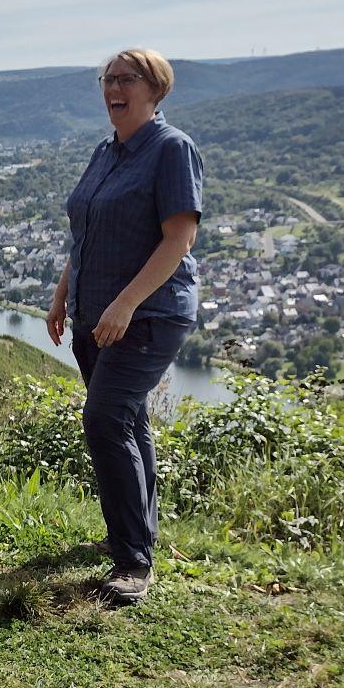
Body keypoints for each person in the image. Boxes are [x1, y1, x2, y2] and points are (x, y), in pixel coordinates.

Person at [46, 48, 202, 606]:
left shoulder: (171, 149)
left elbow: (178, 239)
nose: (113, 87)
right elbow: (84, 231)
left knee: (105, 418)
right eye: (107, 79)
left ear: (155, 87)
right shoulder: (104, 152)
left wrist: (126, 303)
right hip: (94, 312)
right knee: (128, 420)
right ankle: (135, 535)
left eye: (125, 78)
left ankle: (133, 562)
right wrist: (63, 295)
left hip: (149, 313)